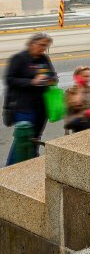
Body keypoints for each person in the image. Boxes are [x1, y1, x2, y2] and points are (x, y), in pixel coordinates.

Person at [4, 33, 57, 165]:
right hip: (23, 107)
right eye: (42, 45)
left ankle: (30, 165)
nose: (43, 49)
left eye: (46, 46)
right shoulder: (19, 59)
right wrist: (31, 82)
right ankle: (9, 169)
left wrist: (51, 80)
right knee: (23, 137)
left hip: (41, 107)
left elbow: (53, 75)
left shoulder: (44, 59)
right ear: (32, 43)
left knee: (35, 137)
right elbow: (10, 80)